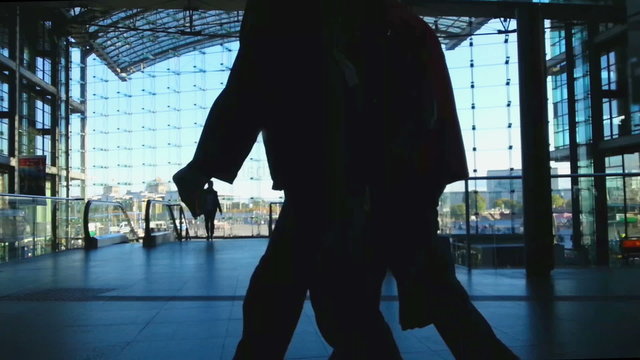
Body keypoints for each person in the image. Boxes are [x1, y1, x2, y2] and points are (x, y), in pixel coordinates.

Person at [173, 0, 400, 358]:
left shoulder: (283, 14)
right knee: (328, 299)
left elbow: (252, 79)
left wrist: (203, 165)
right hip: (340, 163)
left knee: (291, 296)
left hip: (317, 162)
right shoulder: (350, 27)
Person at [345, 1, 519, 358]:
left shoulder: (382, 30)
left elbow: (381, 111)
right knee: (413, 285)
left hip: (389, 182)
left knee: (358, 296)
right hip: (408, 178)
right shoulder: (406, 28)